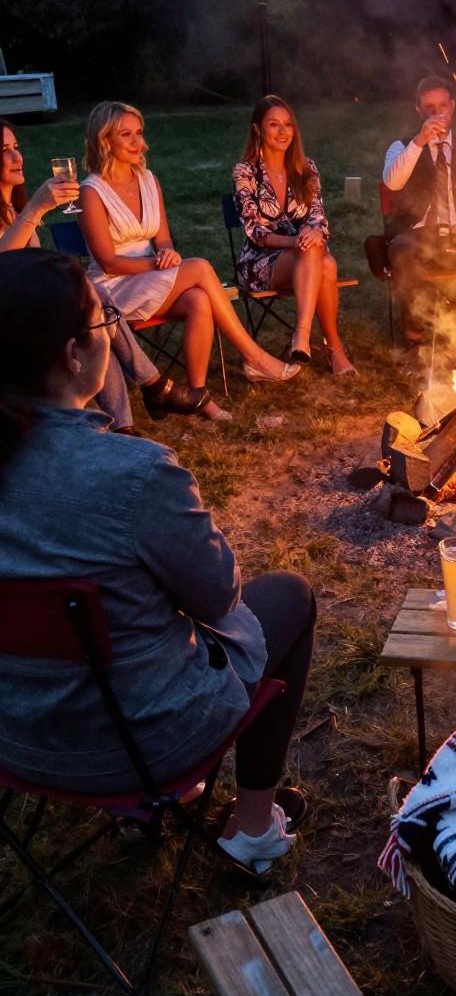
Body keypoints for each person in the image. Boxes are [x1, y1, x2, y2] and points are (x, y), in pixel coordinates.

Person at [0, 249, 316, 872]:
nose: (109, 333)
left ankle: (141, 813)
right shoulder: (134, 473)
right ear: (71, 354)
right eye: (102, 322)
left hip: (17, 742)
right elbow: (217, 595)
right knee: (290, 596)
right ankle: (254, 827)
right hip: (141, 745)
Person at [78, 102, 300, 423]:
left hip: (151, 277)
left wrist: (168, 253)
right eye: (125, 135)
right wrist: (159, 264)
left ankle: (198, 400)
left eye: (138, 133)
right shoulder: (91, 191)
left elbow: (163, 239)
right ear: (103, 140)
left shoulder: (148, 179)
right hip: (112, 290)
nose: (136, 142)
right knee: (198, 268)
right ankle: (253, 355)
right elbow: (108, 262)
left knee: (198, 299)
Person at [0, 118, 208, 433]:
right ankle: (155, 387)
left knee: (97, 316)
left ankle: (124, 426)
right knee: (97, 305)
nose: (18, 158)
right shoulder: (26, 212)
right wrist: (36, 208)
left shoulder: (13, 210)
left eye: (17, 148)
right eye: (5, 151)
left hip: (29, 313)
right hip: (12, 322)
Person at [232, 95, 356, 376]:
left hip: (305, 255)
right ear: (257, 130)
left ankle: (303, 336)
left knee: (325, 262)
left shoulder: (306, 168)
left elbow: (318, 218)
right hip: (261, 260)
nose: (283, 131)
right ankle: (332, 348)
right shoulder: (246, 172)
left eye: (288, 124)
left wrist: (310, 236)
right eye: (274, 125)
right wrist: (297, 241)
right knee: (322, 260)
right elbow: (255, 231)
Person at [382, 75, 456, 346]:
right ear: (418, 111)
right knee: (402, 249)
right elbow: (392, 182)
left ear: (453, 107)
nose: (438, 113)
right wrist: (420, 141)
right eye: (430, 108)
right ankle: (414, 332)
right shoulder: (402, 147)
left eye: (443, 106)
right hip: (417, 233)